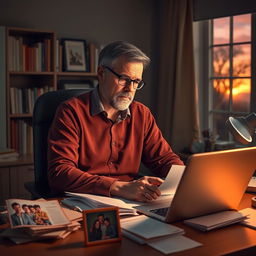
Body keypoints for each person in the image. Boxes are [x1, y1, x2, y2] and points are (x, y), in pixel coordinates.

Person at [48, 41, 183, 202]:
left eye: (136, 82)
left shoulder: (142, 114)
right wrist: (118, 187)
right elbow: (60, 173)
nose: (130, 89)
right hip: (84, 202)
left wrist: (188, 179)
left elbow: (164, 159)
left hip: (131, 203)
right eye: (124, 79)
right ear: (101, 73)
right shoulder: (71, 112)